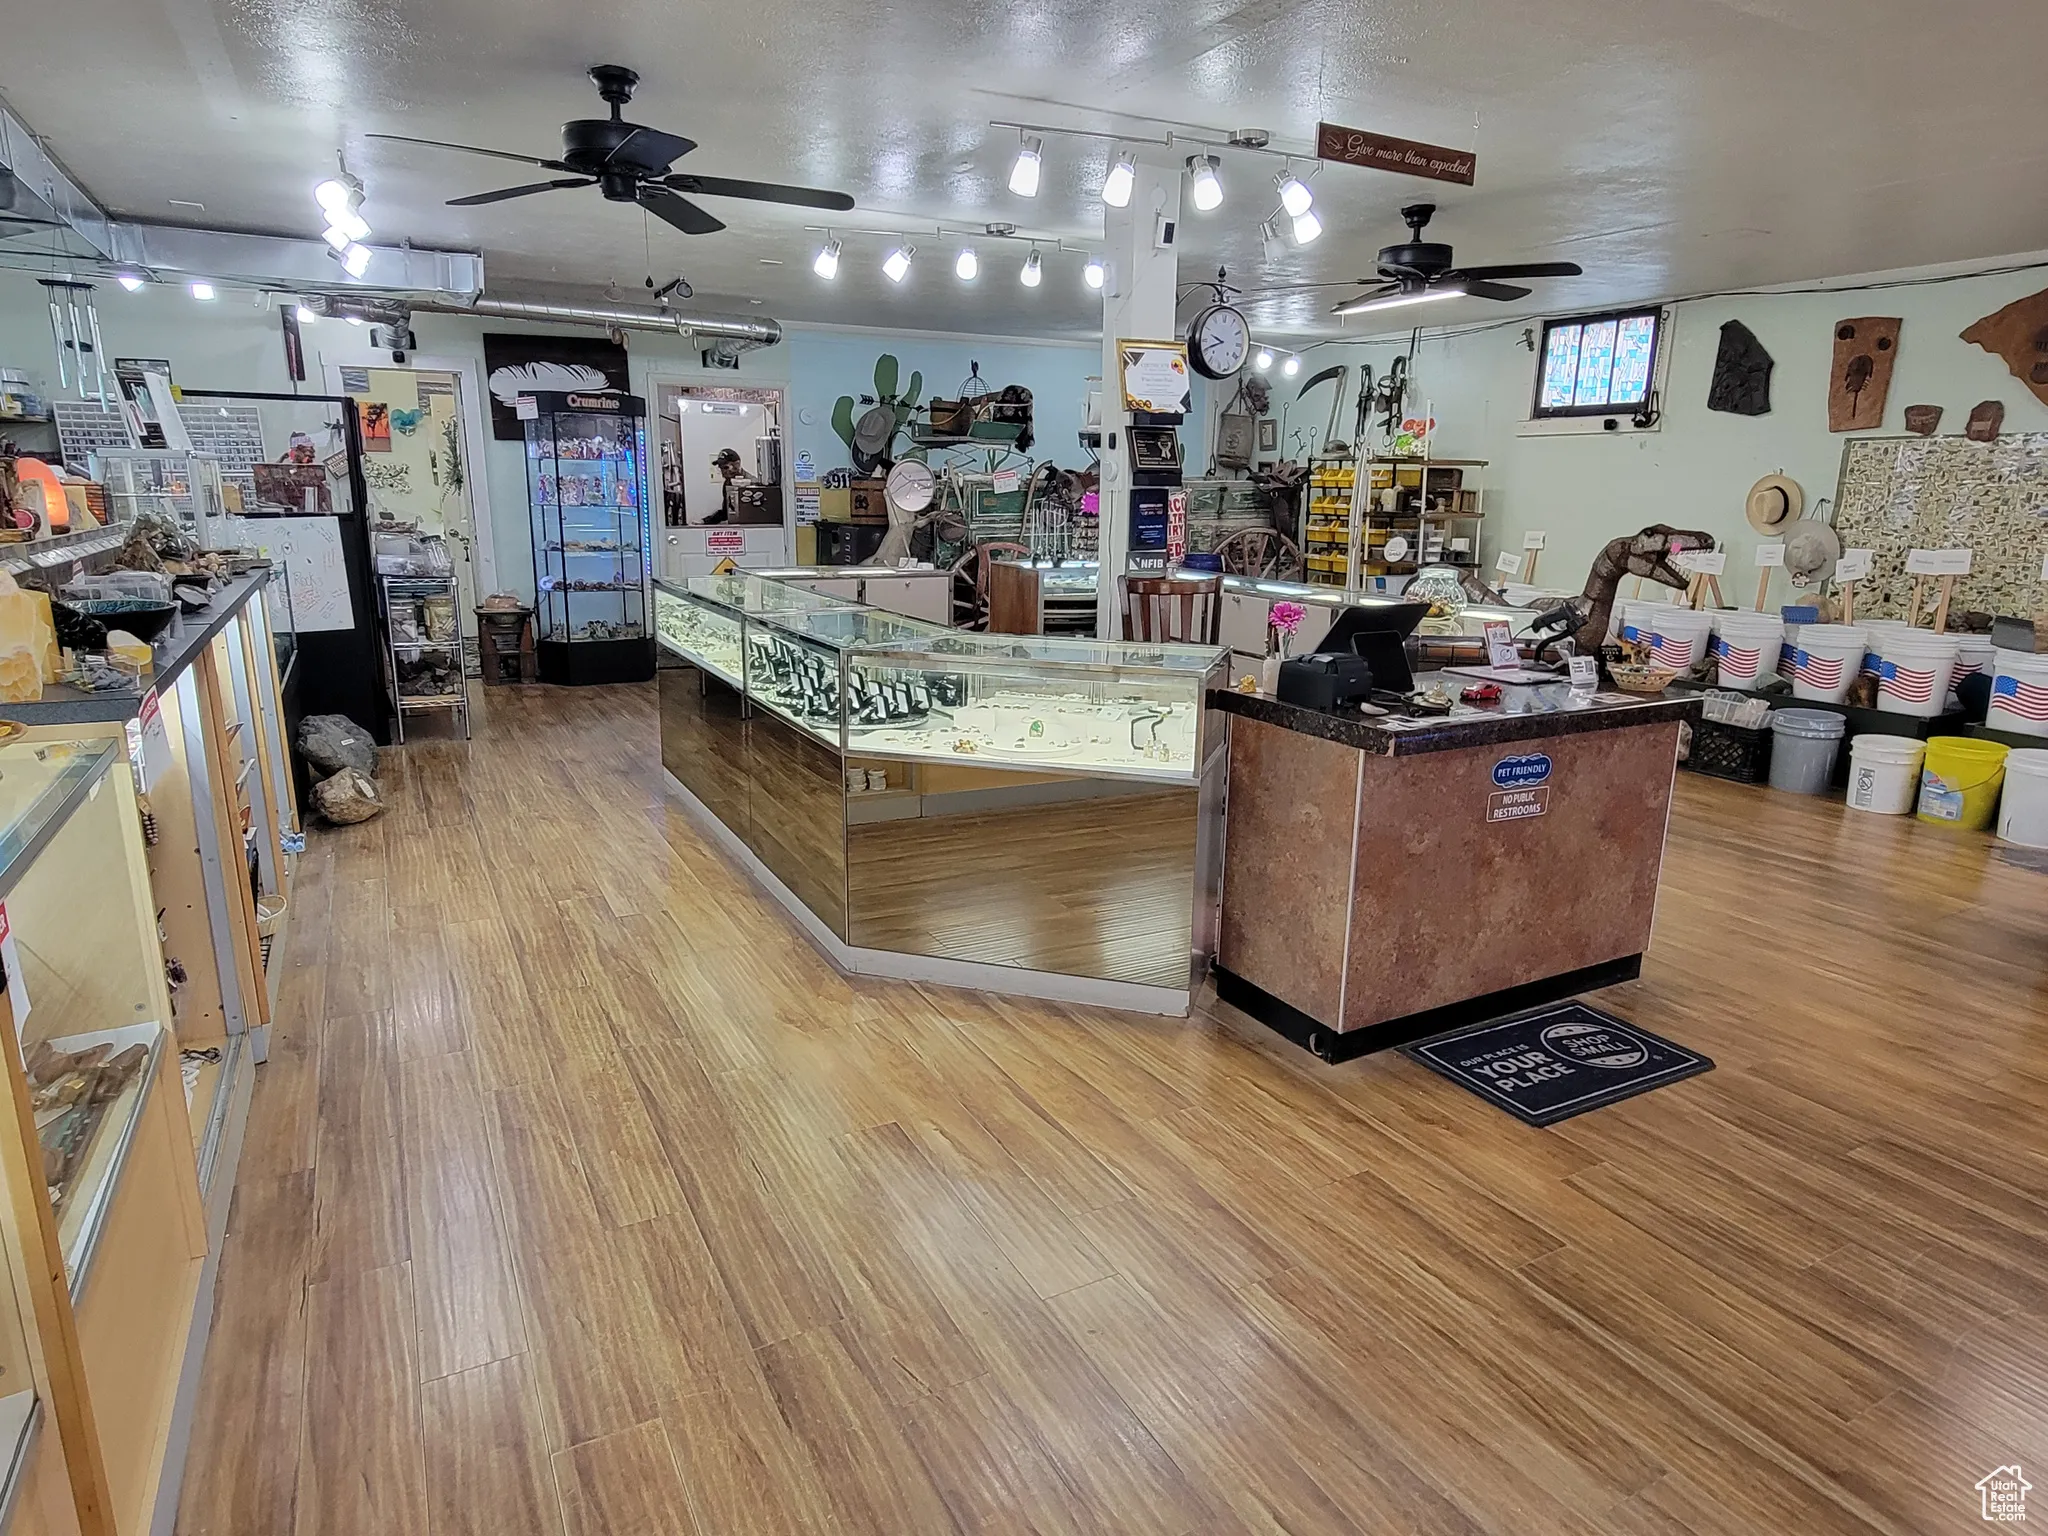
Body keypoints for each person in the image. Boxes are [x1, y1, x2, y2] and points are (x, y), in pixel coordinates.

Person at [705, 447, 755, 524]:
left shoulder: (752, 483)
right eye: (720, 468)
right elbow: (725, 512)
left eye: (725, 467)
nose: (722, 471)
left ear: (737, 465)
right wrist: (704, 521)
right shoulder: (727, 483)